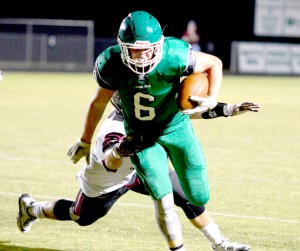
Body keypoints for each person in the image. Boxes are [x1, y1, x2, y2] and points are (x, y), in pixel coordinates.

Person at [61, 10, 249, 250]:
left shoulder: (172, 56)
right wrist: (92, 141)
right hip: (123, 167)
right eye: (135, 49)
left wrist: (219, 102)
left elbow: (192, 105)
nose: (142, 56)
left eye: (147, 49)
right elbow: (107, 144)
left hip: (159, 140)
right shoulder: (114, 99)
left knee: (196, 197)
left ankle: (219, 243)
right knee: (161, 201)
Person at [17, 92, 259, 251]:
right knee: (80, 216)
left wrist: (229, 109)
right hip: (109, 180)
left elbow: (186, 112)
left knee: (186, 195)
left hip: (141, 169)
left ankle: (220, 244)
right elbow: (109, 164)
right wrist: (121, 151)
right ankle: (31, 209)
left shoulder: (144, 115)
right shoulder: (114, 128)